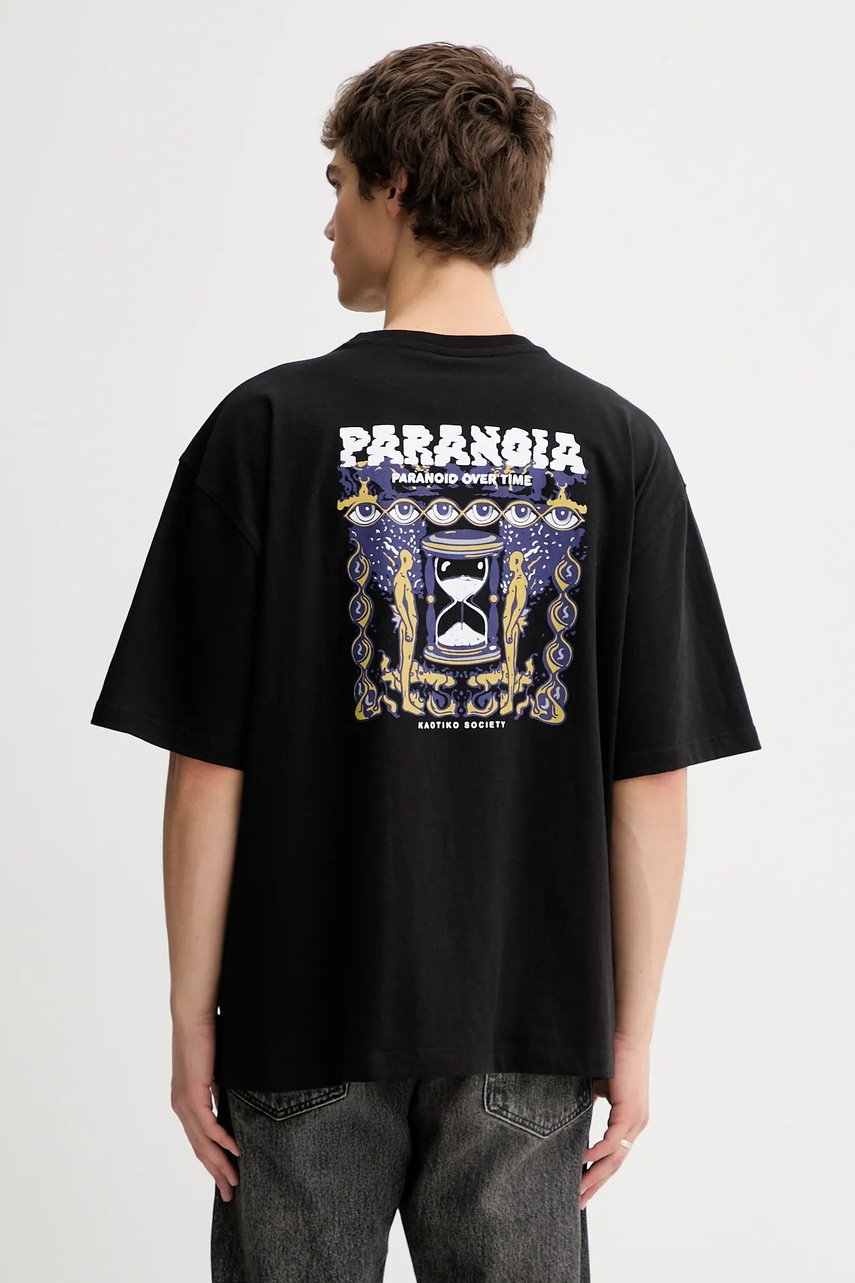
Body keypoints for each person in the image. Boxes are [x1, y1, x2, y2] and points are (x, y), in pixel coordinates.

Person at [90, 40, 762, 1283]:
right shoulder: (620, 449)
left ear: (393, 188)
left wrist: (189, 1018)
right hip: (527, 1014)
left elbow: (209, 767)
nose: (328, 221)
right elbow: (652, 777)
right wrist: (632, 1035)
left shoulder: (267, 432)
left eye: (339, 184)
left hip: (301, 1011)